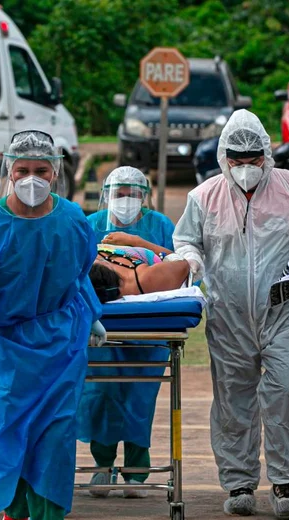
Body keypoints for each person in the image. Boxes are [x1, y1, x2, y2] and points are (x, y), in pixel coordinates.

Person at [0, 130, 106, 520]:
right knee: (13, 440)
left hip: (61, 349)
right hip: (5, 352)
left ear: (56, 172)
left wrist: (91, 312)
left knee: (55, 444)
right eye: (23, 170)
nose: (32, 179)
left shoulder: (72, 220)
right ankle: (17, 513)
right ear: (9, 172)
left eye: (41, 170)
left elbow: (77, 274)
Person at [173, 110, 289, 519]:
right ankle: (239, 481)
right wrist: (191, 261)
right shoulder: (204, 196)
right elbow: (185, 239)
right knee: (233, 398)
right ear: (224, 157)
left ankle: (285, 482)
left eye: (253, 159)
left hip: (285, 309)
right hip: (229, 314)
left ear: (267, 153)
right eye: (237, 160)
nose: (245, 168)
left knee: (286, 390)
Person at [78, 167, 177, 497]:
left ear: (144, 197)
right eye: (118, 193)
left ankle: (137, 468)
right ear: (106, 196)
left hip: (149, 327)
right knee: (101, 395)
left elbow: (182, 265)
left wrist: (135, 243)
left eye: (133, 193)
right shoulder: (90, 226)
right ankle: (101, 466)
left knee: (139, 396)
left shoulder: (160, 226)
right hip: (100, 326)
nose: (125, 200)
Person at [89, 245, 190, 302]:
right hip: (152, 260)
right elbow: (184, 264)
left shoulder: (82, 261)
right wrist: (135, 240)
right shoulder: (144, 279)